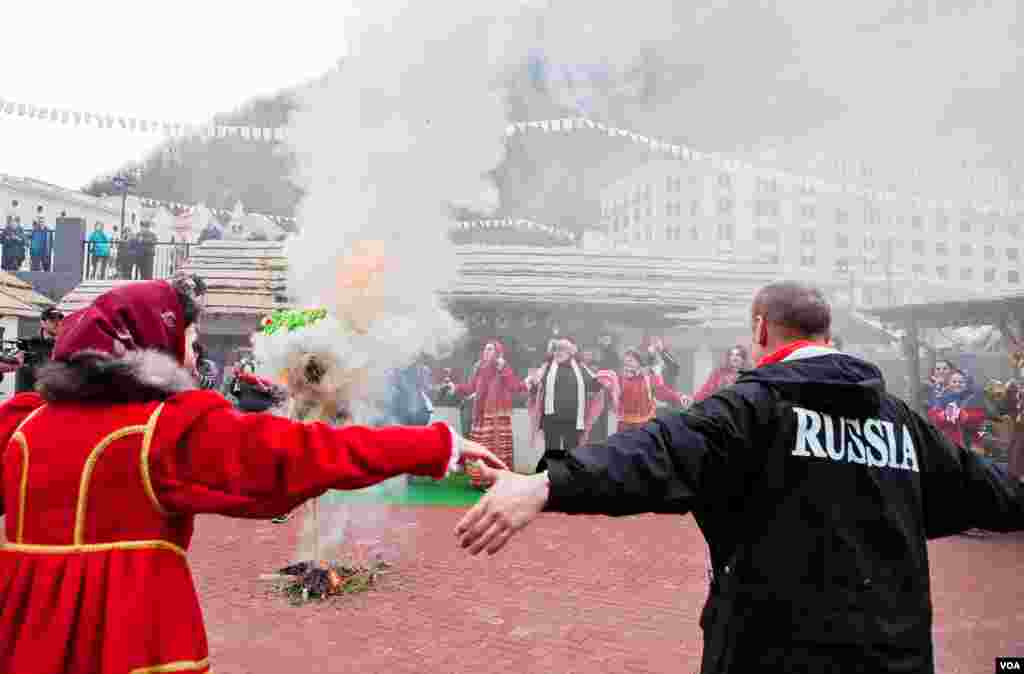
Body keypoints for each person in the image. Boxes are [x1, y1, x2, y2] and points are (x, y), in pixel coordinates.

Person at [456, 281, 1024, 674]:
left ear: (759, 328)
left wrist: (543, 484)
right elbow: (995, 497)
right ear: (827, 333)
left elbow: (659, 452)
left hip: (772, 655)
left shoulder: (753, 407)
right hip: (895, 656)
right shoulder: (902, 422)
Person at [0, 275, 505, 674]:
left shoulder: (23, 423)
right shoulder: (161, 429)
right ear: (150, 349)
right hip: (128, 626)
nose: (194, 356)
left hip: (24, 624)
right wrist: (438, 443)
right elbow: (304, 453)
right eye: (187, 342)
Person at [445, 340, 526, 488]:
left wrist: (505, 370)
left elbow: (514, 386)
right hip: (481, 415)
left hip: (497, 416)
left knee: (497, 449)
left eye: (490, 349)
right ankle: (481, 480)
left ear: (497, 352)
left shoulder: (502, 366)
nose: (486, 352)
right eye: (485, 349)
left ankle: (499, 481)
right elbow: (471, 388)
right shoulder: (479, 367)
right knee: (481, 448)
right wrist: (455, 388)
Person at [525, 338, 610, 473]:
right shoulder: (546, 367)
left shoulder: (580, 367)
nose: (559, 352)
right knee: (551, 452)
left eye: (562, 349)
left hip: (573, 419)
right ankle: (549, 479)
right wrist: (532, 383)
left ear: (570, 352)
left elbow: (593, 385)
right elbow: (535, 387)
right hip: (551, 418)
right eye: (557, 349)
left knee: (571, 453)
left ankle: (570, 481)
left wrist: (603, 381)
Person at [14, 306, 63, 393]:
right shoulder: (29, 344)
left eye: (60, 320)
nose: (57, 323)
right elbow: (22, 374)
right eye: (52, 320)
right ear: (42, 322)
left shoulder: (65, 344)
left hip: (57, 397)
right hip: (32, 397)